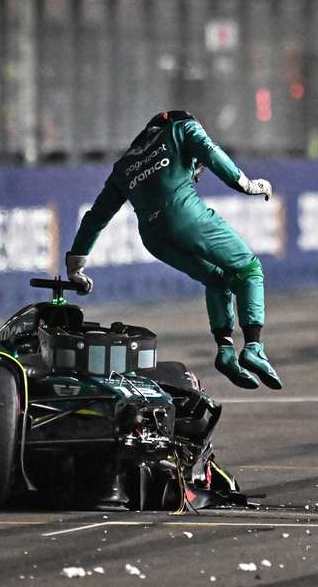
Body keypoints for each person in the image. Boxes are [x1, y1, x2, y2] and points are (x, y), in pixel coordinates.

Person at [65, 110, 282, 390]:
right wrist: (246, 184)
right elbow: (213, 155)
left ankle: (225, 350)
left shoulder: (125, 165)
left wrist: (76, 264)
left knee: (216, 277)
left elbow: (96, 217)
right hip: (185, 215)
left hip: (154, 238)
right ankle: (253, 347)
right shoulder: (182, 128)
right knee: (247, 268)